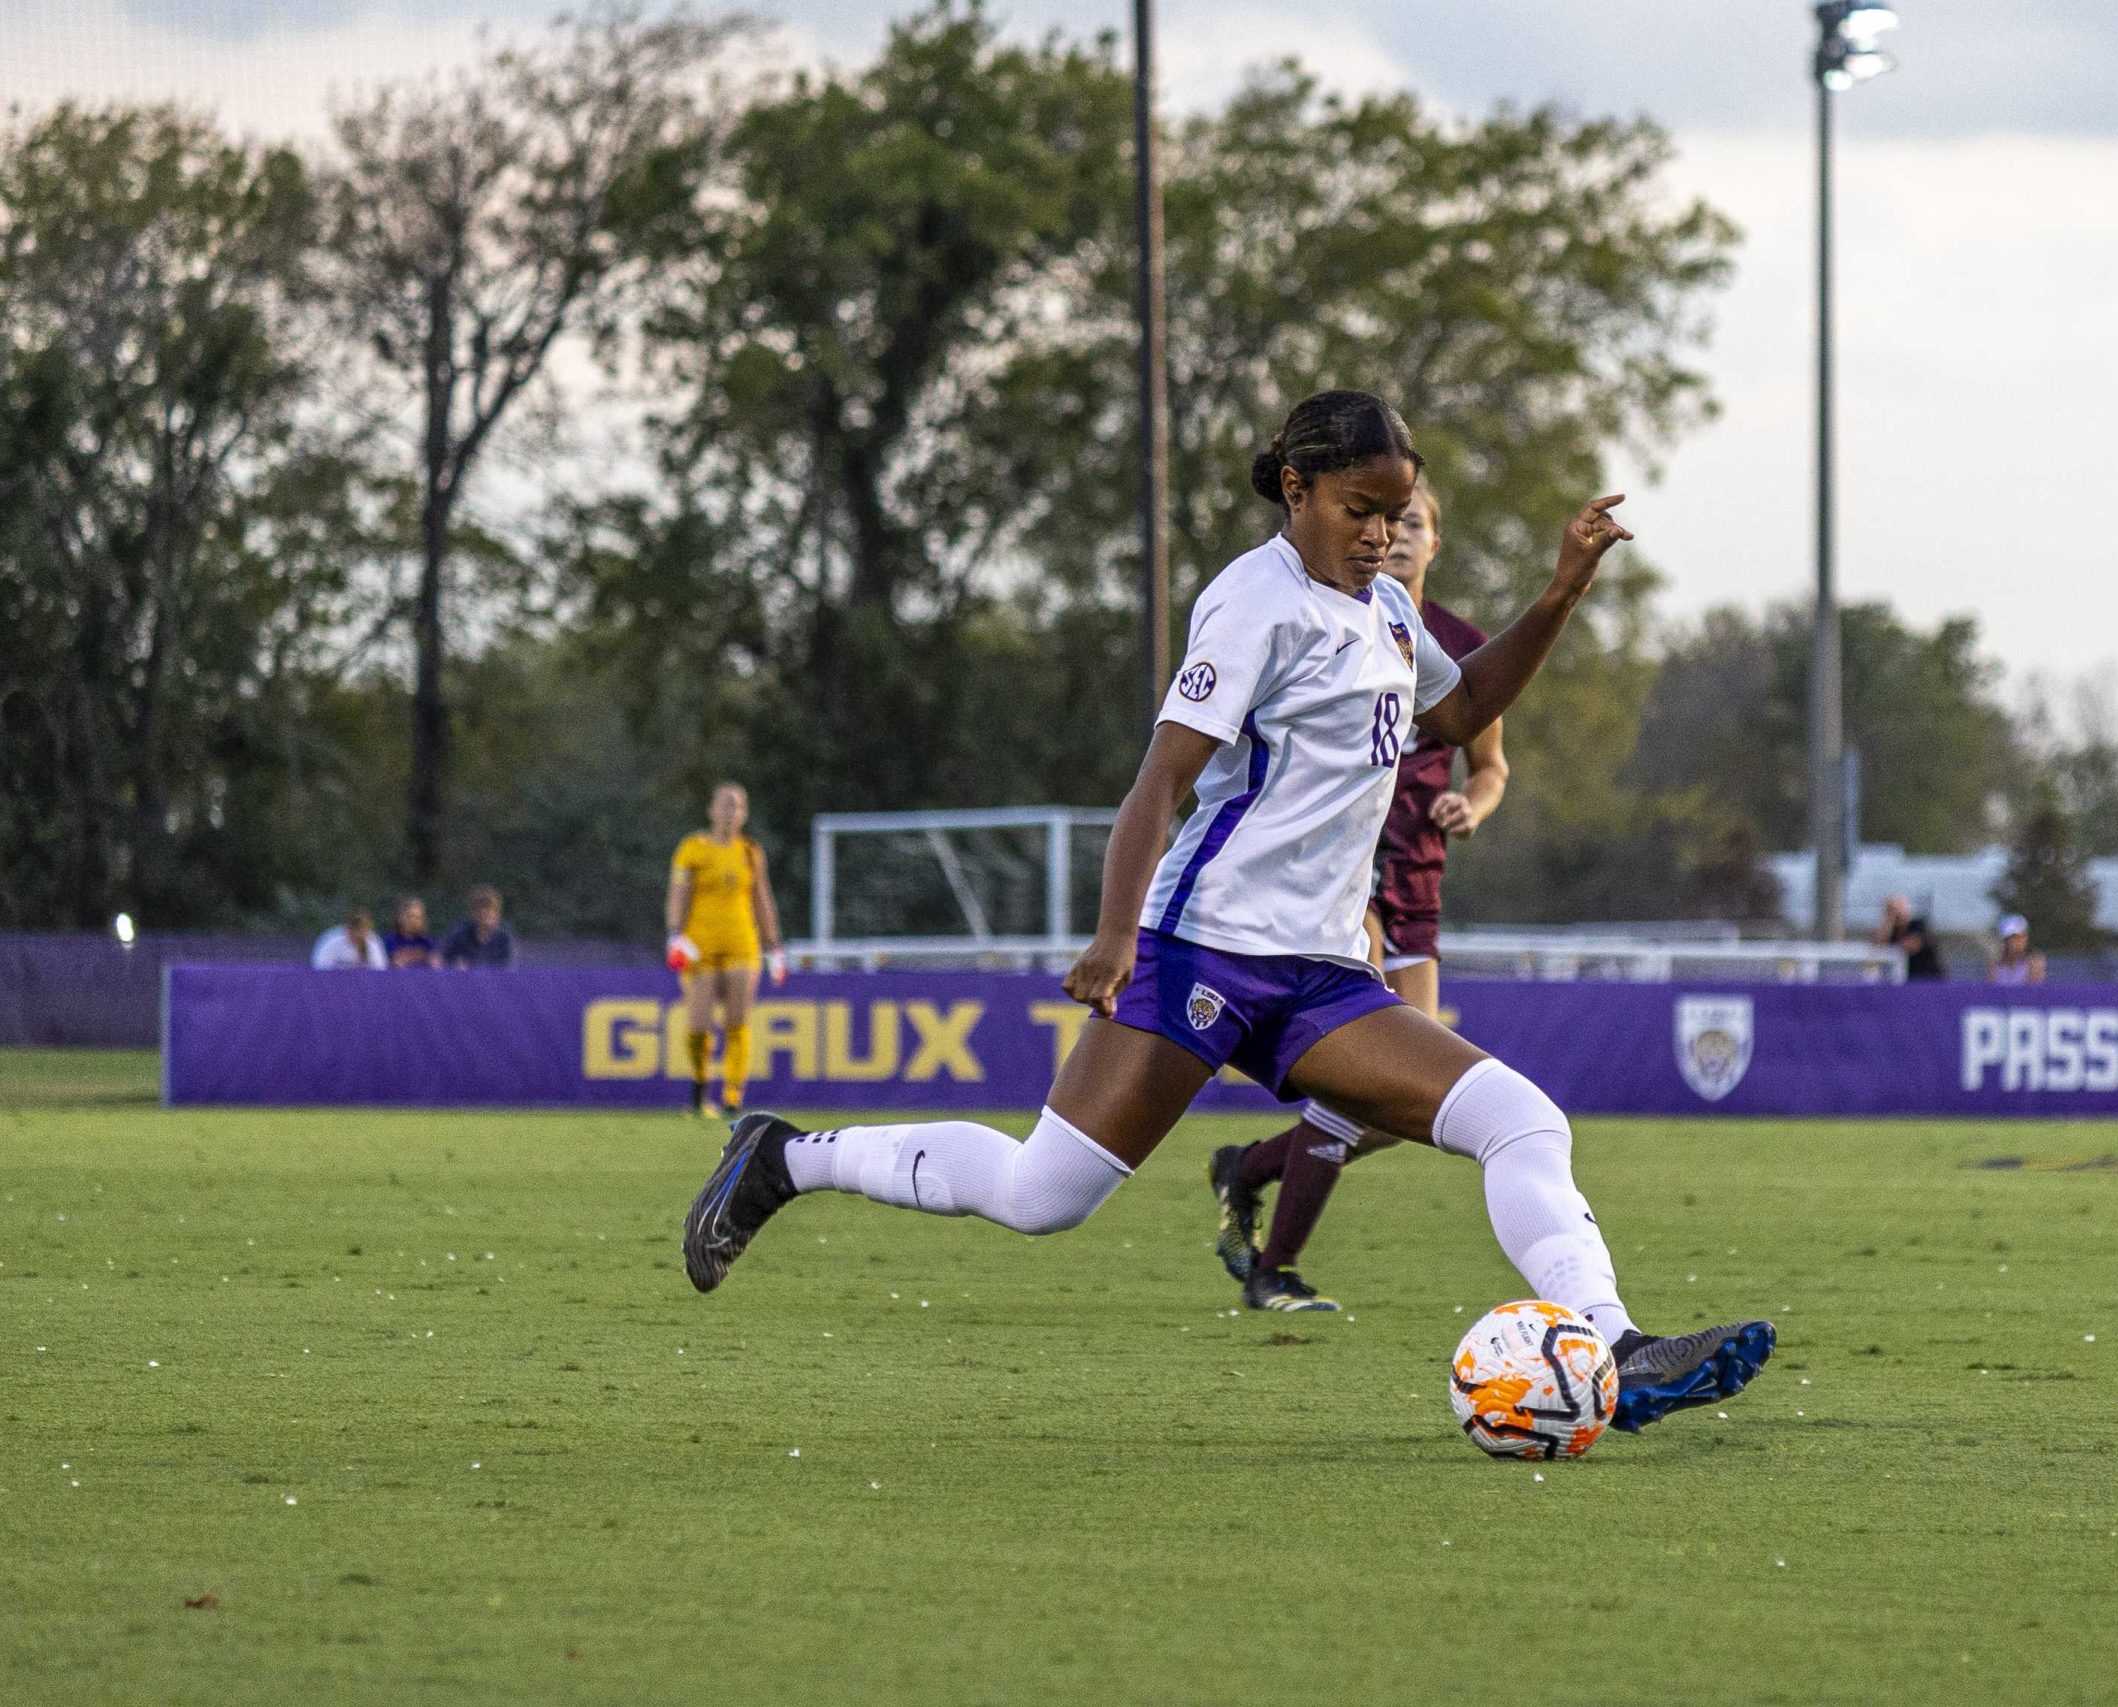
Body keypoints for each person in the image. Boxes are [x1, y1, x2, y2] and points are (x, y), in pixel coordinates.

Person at [681, 389, 1773, 1435]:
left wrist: (1563, 590)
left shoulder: (1387, 609)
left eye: (1395, 516)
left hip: (1320, 979)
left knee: (1523, 1120)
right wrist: (1116, 937)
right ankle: (784, 1157)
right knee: (1040, 1194)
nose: (1382, 536)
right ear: (1294, 489)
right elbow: (1160, 780)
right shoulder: (1253, 604)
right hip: (1199, 953)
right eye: (1359, 511)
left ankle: (1611, 1347)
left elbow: (1468, 707)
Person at [1204, 472, 1510, 1312]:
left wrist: (1471, 807)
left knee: (1405, 1099)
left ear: (1437, 542)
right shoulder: (1324, 612)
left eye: (1416, 521)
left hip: (1418, 876)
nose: (1400, 532)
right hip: (1342, 879)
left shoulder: (1456, 642)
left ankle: (1255, 1165)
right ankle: (1276, 1267)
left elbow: (1491, 767)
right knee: (1361, 1080)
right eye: (1388, 517)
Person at [666, 783, 787, 1119]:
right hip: (699, 946)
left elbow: (761, 899)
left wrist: (773, 943)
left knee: (737, 1021)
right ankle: (700, 1088)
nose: (730, 812)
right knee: (698, 1024)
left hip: (741, 946)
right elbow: (678, 892)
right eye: (725, 804)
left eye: (737, 806)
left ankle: (733, 1097)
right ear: (711, 809)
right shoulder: (692, 848)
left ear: (744, 814)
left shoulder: (750, 851)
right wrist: (674, 932)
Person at [439, 886, 515, 969]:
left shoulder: (504, 939)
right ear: (472, 913)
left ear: (497, 914)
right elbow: (441, 958)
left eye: (489, 911)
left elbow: (507, 969)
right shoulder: (460, 935)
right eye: (479, 910)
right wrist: (454, 965)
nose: (484, 914)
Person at [310, 908, 387, 970]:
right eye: (356, 928)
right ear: (348, 928)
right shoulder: (331, 940)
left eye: (363, 929)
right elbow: (318, 967)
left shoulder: (373, 942)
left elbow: (380, 971)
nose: (359, 933)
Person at [380, 896, 440, 969]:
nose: (414, 921)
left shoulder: (428, 942)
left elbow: (436, 966)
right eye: (411, 916)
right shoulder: (388, 941)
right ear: (401, 917)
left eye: (418, 918)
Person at [1989, 914, 2043, 986]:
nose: (2013, 942)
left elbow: (2033, 991)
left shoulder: (2034, 963)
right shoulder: (1996, 965)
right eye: (2010, 938)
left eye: (2018, 937)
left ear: (2026, 938)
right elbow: (1990, 991)